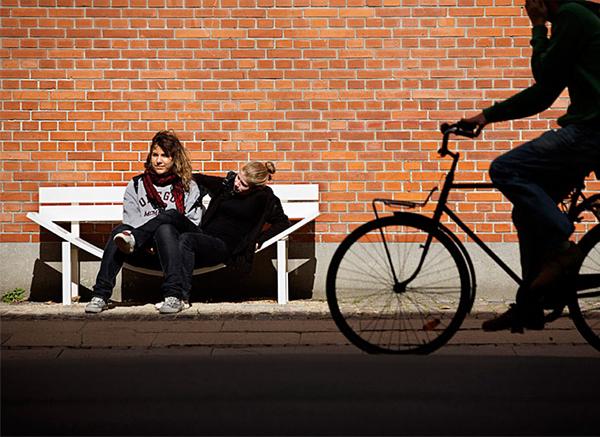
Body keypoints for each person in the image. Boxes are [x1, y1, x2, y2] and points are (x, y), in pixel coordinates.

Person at [461, 0, 600, 332]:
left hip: (589, 132)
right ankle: (530, 305)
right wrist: (486, 116)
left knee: (505, 169)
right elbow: (545, 94)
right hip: (589, 132)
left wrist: (537, 27)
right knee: (526, 211)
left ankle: (563, 248)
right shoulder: (575, 18)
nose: (527, 4)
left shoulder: (570, 17)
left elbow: (543, 75)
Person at [85, 130, 203, 314]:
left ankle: (172, 296)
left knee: (166, 225)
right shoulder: (137, 184)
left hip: (174, 245)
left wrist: (153, 235)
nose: (159, 160)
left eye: (165, 155)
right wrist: (146, 239)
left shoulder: (188, 185)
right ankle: (100, 295)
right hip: (141, 246)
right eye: (155, 155)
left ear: (174, 159)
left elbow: (191, 224)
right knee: (120, 230)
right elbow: (131, 220)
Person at [178, 161, 291, 303]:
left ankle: (181, 297)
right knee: (171, 216)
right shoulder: (227, 185)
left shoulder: (264, 198)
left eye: (243, 184)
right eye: (238, 177)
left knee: (186, 239)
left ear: (255, 188)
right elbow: (199, 178)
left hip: (224, 246)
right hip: (204, 235)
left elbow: (282, 223)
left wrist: (259, 240)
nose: (237, 184)